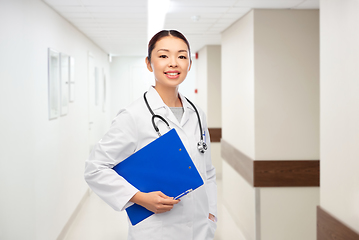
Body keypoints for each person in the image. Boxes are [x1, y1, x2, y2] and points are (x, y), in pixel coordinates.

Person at [84, 30, 217, 240]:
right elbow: (94, 169)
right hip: (156, 231)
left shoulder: (197, 113)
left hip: (200, 229)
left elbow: (207, 172)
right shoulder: (133, 115)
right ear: (149, 63)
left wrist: (211, 214)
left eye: (182, 56)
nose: (173, 63)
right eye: (164, 56)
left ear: (189, 64)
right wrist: (140, 198)